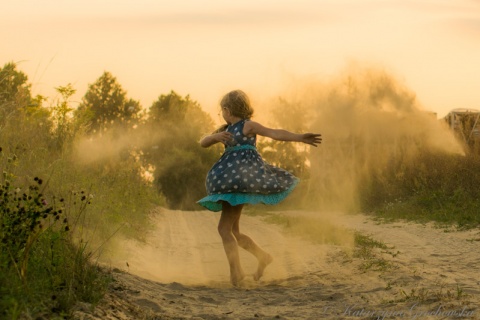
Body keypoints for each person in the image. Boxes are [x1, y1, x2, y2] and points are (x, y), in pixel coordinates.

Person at [197, 90, 322, 286]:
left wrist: (300, 137)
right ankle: (262, 257)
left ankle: (236, 274)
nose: (222, 114)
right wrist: (216, 137)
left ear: (227, 110)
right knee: (234, 232)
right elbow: (203, 142)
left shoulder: (248, 126)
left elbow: (274, 133)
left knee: (223, 229)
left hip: (238, 184)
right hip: (233, 185)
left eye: (222, 110)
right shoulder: (226, 129)